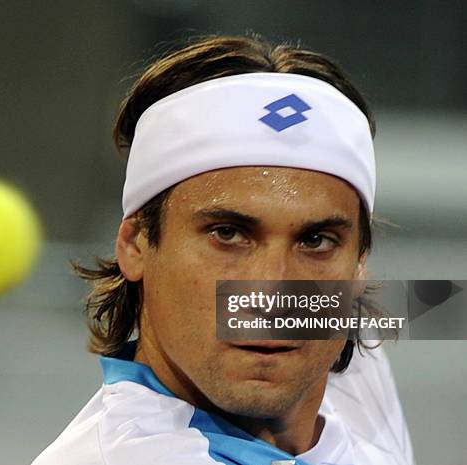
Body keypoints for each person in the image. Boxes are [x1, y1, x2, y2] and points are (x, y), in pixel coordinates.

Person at [32, 34, 415, 465]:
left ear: (359, 263)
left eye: (315, 241)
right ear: (136, 243)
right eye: (228, 234)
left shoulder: (340, 369)